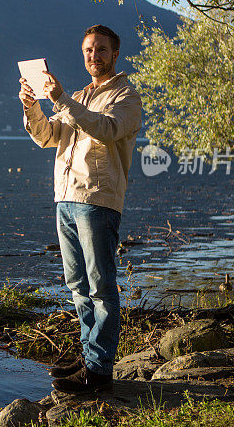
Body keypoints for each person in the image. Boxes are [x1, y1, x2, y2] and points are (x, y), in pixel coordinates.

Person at [19, 24, 142, 394]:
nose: (94, 56)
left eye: (101, 50)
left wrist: (62, 101)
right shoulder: (76, 96)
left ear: (115, 54)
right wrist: (33, 106)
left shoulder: (127, 96)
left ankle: (100, 371)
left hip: (97, 200)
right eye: (88, 50)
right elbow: (46, 137)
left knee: (101, 286)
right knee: (77, 285)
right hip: (66, 198)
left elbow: (106, 130)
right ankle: (90, 357)